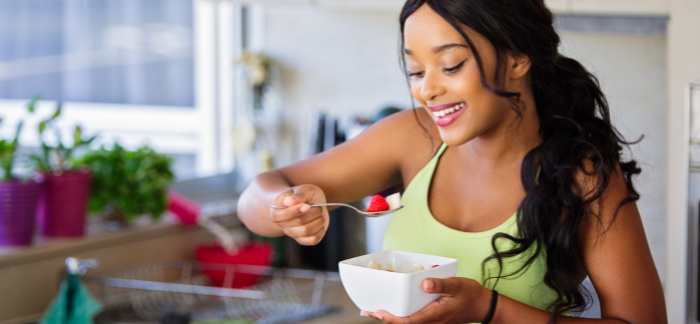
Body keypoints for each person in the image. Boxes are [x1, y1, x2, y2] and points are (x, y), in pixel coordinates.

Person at [237, 0, 668, 322]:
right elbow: (256, 197)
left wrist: (491, 309)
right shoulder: (412, 137)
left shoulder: (581, 176)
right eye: (416, 72)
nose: (426, 91)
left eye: (450, 64)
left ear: (518, 58)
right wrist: (286, 207)